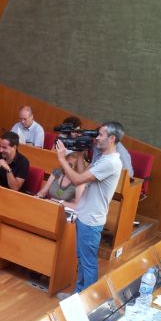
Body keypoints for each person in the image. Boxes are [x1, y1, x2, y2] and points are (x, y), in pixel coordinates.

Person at [56, 122, 123, 292]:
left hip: (91, 220)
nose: (97, 138)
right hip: (84, 215)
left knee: (88, 263)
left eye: (100, 135)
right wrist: (79, 154)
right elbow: (82, 175)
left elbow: (77, 180)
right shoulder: (102, 158)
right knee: (82, 260)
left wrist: (62, 159)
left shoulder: (111, 162)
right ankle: (78, 295)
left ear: (112, 138)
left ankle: (88, 301)